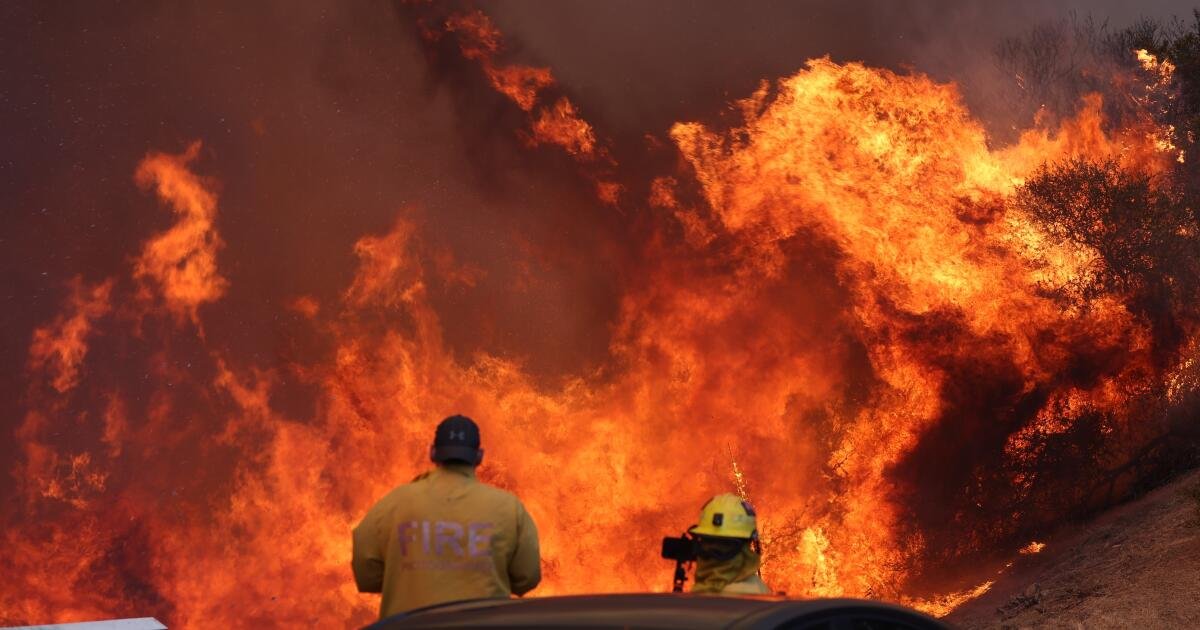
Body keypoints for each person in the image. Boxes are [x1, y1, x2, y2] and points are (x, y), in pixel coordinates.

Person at [351, 414, 541, 618]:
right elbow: (526, 578)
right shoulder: (508, 508)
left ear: (433, 453)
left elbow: (366, 576)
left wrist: (409, 576)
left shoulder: (393, 503)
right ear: (479, 456)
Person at [688, 493, 771, 595]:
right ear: (750, 543)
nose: (713, 550)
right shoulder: (759, 591)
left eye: (723, 544)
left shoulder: (745, 595)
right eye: (709, 542)